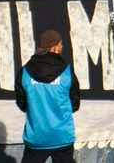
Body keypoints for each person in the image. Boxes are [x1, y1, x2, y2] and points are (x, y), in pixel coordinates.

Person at [15, 30, 80, 163]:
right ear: (55, 46)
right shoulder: (67, 71)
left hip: (37, 135)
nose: (62, 47)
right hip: (62, 136)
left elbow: (22, 103)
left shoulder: (25, 72)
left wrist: (37, 111)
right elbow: (75, 103)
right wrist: (60, 114)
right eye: (61, 44)